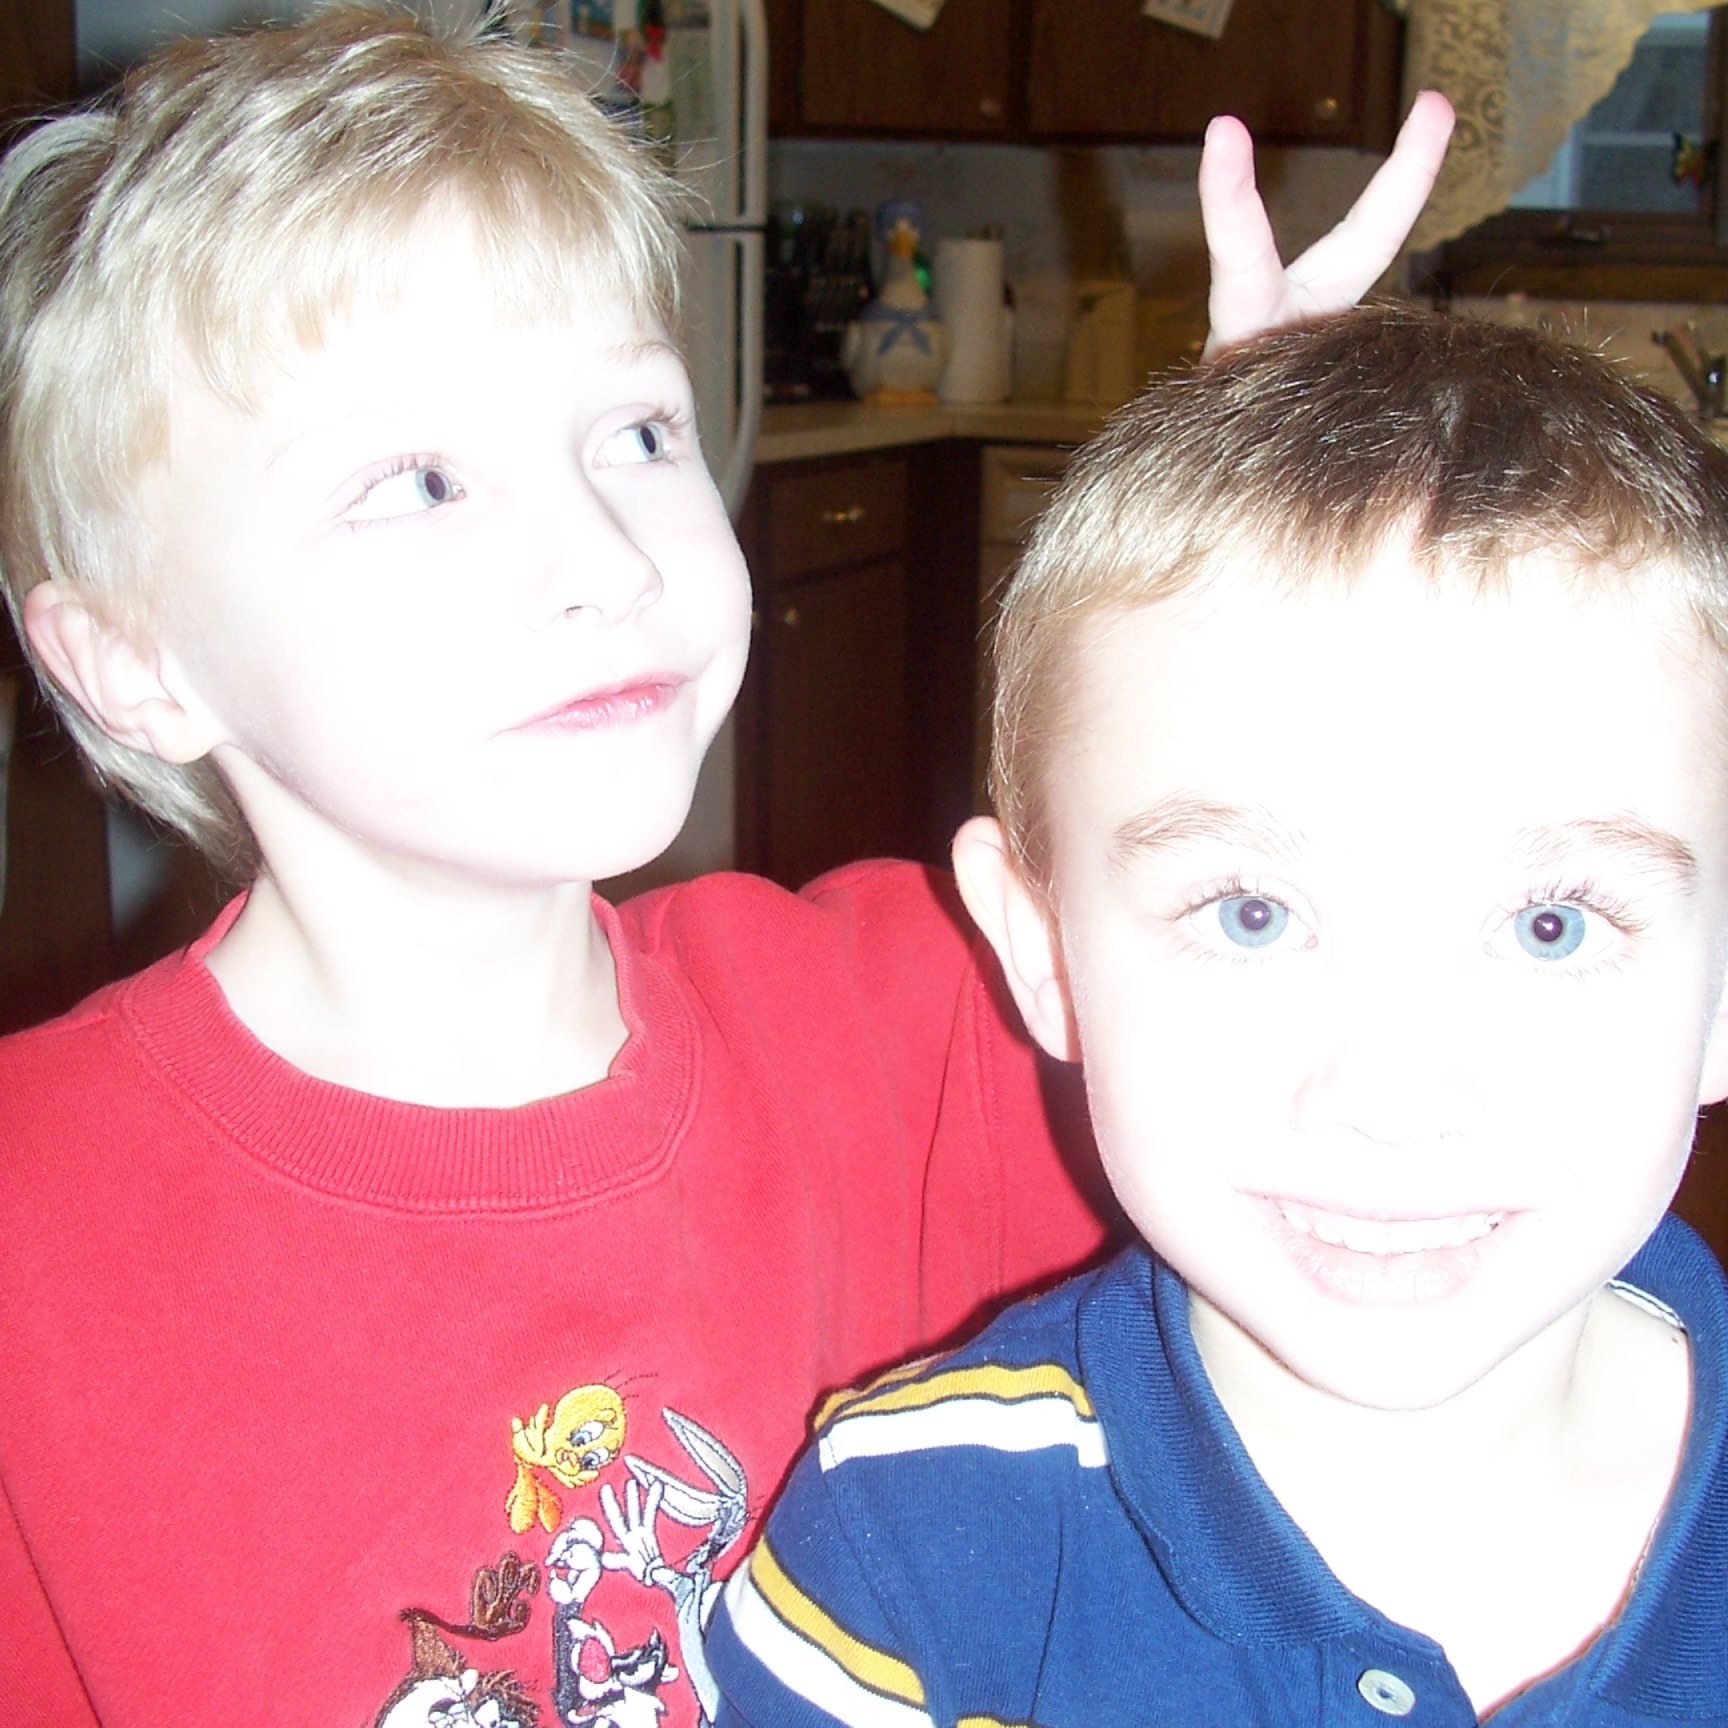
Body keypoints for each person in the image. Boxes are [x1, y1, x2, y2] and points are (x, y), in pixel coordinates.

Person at [0, 7, 1449, 1722]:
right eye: (419, 482)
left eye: (636, 433)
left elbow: (1297, 951)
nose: (607, 557)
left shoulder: (926, 1013)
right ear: (133, 660)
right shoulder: (37, 1232)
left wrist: (1270, 574)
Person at [705, 301, 1728, 1727]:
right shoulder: (900, 1559)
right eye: (1251, 914)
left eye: (1551, 926)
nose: (1392, 1095)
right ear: (1045, 955)